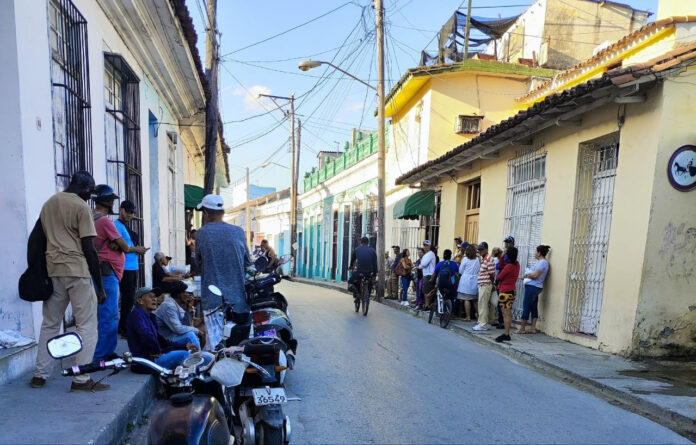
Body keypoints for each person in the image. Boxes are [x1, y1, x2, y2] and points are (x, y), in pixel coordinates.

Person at [31, 171, 110, 392]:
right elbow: (89, 249)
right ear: (84, 188)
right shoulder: (81, 207)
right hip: (77, 271)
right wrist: (100, 287)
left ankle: (40, 374)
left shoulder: (49, 204)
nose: (90, 198)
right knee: (87, 325)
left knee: (50, 323)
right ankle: (81, 379)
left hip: (53, 270)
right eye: (90, 193)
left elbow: (36, 238)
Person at [195, 194, 250, 350]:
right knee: (238, 343)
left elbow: (198, 263)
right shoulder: (239, 231)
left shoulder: (202, 233)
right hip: (238, 298)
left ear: (205, 213)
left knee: (215, 345)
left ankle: (218, 370)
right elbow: (248, 262)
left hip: (213, 299)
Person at [92, 184, 130, 362]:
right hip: (108, 272)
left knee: (104, 314)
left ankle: (104, 351)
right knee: (110, 314)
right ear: (107, 201)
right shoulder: (105, 221)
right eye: (112, 200)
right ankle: (103, 355)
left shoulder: (91, 218)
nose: (113, 203)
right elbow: (125, 246)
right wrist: (116, 244)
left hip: (100, 270)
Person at [126, 287, 195, 373]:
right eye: (150, 297)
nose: (154, 299)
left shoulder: (148, 316)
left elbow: (161, 341)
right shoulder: (137, 315)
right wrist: (156, 350)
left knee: (188, 350)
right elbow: (146, 335)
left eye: (155, 297)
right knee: (186, 355)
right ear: (140, 301)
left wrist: (184, 346)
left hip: (151, 358)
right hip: (145, 363)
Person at [114, 200, 149, 337]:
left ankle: (125, 326)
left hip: (132, 266)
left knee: (130, 299)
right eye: (127, 211)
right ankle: (123, 328)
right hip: (125, 267)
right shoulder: (117, 226)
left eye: (132, 213)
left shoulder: (124, 226)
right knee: (127, 299)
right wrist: (136, 249)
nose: (129, 215)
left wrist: (138, 249)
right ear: (121, 210)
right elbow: (118, 246)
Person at [154, 281, 204, 350]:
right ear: (179, 294)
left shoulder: (177, 305)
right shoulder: (169, 306)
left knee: (194, 333)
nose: (189, 296)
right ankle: (199, 358)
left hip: (171, 337)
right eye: (186, 292)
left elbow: (188, 326)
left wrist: (189, 310)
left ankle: (198, 356)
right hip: (164, 340)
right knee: (190, 335)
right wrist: (197, 331)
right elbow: (178, 329)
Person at [518, 245, 551, 334]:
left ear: (539, 253)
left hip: (533, 287)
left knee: (526, 306)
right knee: (533, 307)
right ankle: (533, 328)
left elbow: (536, 275)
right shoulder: (540, 262)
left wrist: (527, 275)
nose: (534, 253)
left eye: (536, 252)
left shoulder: (543, 263)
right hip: (534, 287)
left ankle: (522, 328)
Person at [495, 247, 521, 342]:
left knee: (505, 313)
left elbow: (500, 276)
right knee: (508, 313)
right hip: (512, 290)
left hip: (505, 291)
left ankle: (506, 333)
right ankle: (507, 332)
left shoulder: (508, 267)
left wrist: (502, 256)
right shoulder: (517, 265)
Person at [473, 242, 496, 331]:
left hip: (485, 285)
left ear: (486, 249)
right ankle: (481, 322)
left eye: (482, 249)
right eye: (479, 249)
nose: (480, 251)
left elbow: (492, 274)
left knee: (483, 305)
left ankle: (483, 324)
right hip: (483, 285)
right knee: (482, 304)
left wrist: (491, 283)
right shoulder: (484, 259)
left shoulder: (489, 259)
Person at [494, 236, 515, 328]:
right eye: (506, 242)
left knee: (505, 307)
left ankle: (503, 323)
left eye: (508, 242)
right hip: (502, 283)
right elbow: (498, 266)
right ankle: (500, 321)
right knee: (501, 304)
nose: (506, 244)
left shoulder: (510, 255)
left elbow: (500, 266)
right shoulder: (504, 254)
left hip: (506, 282)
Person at [457, 244, 481, 321]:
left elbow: (460, 271)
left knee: (466, 299)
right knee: (474, 300)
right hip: (475, 280)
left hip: (466, 280)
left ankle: (468, 317)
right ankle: (479, 317)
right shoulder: (477, 259)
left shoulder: (465, 259)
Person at [417, 241, 437, 308]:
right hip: (426, 274)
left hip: (429, 275)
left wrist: (419, 266)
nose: (425, 247)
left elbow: (424, 264)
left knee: (427, 291)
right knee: (425, 291)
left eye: (427, 245)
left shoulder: (430, 254)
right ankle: (426, 305)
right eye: (424, 245)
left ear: (430, 246)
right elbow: (422, 265)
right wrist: (419, 266)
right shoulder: (426, 254)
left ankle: (427, 305)